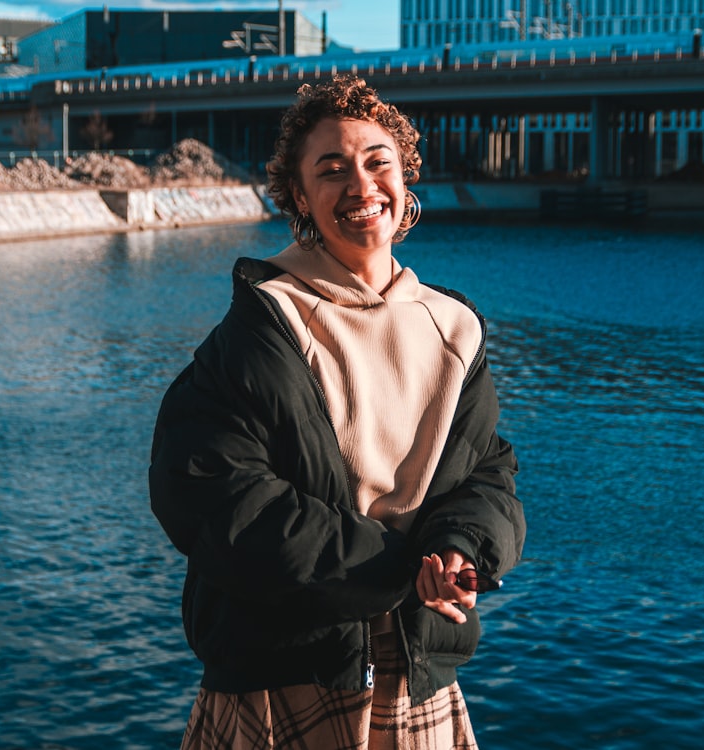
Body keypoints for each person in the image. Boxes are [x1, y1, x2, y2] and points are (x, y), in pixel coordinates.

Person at [149, 74, 526, 749]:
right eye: (331, 169)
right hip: (283, 674)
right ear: (299, 196)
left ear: (404, 177)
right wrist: (394, 564)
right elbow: (208, 491)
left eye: (377, 162)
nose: (361, 185)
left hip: (416, 672)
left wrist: (457, 548)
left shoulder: (454, 328)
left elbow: (486, 475)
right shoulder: (264, 325)